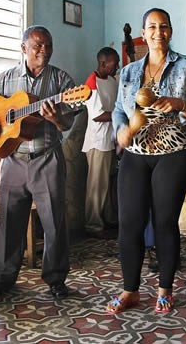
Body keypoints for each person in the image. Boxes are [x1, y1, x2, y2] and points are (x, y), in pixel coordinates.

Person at [107, 8, 186, 314]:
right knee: (129, 224)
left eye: (163, 26)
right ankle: (130, 291)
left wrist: (180, 104)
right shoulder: (128, 72)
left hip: (174, 153)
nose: (157, 31)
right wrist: (121, 131)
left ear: (171, 31)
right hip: (136, 155)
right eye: (151, 26)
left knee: (165, 222)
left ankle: (165, 289)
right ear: (143, 32)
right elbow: (117, 110)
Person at [0, 25, 75, 300]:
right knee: (8, 222)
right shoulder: (4, 79)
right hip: (12, 159)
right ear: (23, 48)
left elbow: (66, 124)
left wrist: (54, 118)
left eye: (49, 45)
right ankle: (3, 278)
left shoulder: (62, 81)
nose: (44, 51)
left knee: (54, 223)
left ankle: (55, 279)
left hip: (47, 158)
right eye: (38, 45)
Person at [82, 47, 120, 238]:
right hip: (97, 142)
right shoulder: (92, 82)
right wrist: (122, 116)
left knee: (107, 184)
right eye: (115, 62)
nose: (118, 66)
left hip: (110, 140)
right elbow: (98, 116)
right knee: (96, 186)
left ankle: (107, 220)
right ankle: (93, 225)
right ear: (103, 63)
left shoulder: (112, 81)